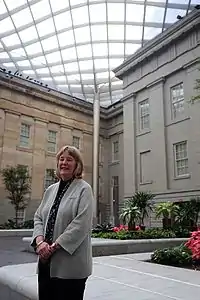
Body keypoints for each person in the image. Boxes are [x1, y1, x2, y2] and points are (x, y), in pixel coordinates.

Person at [31, 145, 94, 300]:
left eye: (69, 159)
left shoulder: (84, 189)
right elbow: (38, 217)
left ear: (77, 165)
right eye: (61, 159)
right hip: (46, 264)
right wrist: (40, 243)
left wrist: (52, 247)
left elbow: (81, 224)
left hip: (70, 267)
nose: (64, 162)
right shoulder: (50, 190)